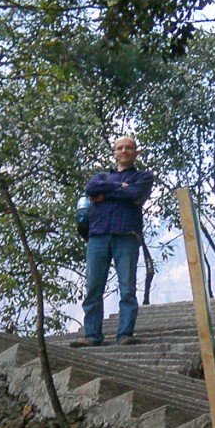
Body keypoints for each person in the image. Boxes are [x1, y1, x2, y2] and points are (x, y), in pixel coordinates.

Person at [71, 136, 155, 347]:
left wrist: (107, 192)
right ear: (114, 153)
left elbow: (136, 193)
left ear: (136, 153)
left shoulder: (143, 177)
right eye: (120, 148)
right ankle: (92, 336)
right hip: (98, 235)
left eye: (128, 148)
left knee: (127, 287)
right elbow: (90, 189)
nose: (124, 151)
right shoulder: (100, 176)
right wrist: (121, 188)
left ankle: (125, 334)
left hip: (126, 235)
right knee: (93, 288)